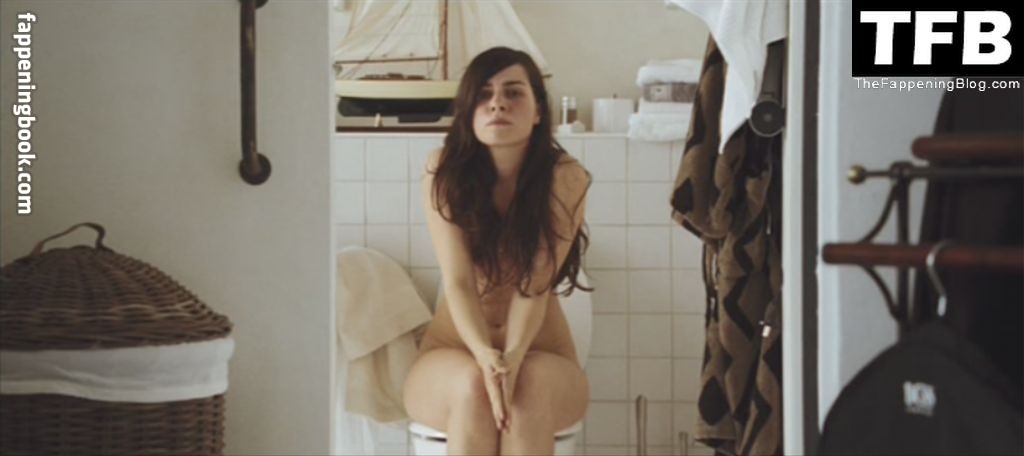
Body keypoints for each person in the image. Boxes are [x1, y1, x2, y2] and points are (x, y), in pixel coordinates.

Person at [403, 46, 592, 455]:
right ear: (468, 111)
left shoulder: (565, 177)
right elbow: (458, 281)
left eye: (513, 92)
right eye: (484, 94)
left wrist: (513, 358)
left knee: (526, 389)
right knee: (473, 385)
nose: (498, 104)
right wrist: (485, 357)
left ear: (538, 110)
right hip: (452, 352)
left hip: (543, 353)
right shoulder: (444, 171)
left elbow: (533, 286)